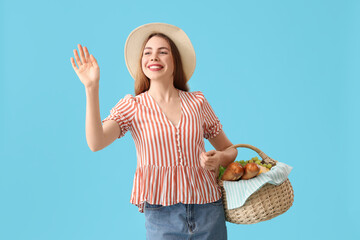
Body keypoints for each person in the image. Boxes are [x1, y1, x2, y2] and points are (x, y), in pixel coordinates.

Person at [70, 22, 238, 240]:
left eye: (163, 52)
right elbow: (96, 142)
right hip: (161, 215)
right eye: (147, 53)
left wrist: (220, 158)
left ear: (175, 61)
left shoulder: (197, 102)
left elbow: (230, 150)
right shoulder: (132, 106)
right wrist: (91, 88)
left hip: (208, 209)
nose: (154, 57)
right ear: (142, 63)